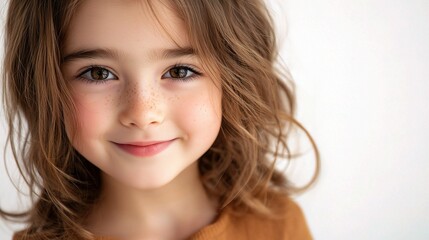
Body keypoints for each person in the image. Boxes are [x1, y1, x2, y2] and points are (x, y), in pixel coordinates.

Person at [1, 0, 319, 239]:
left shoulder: (278, 227)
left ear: (235, 80)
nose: (143, 113)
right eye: (98, 73)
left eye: (180, 71)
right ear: (44, 87)